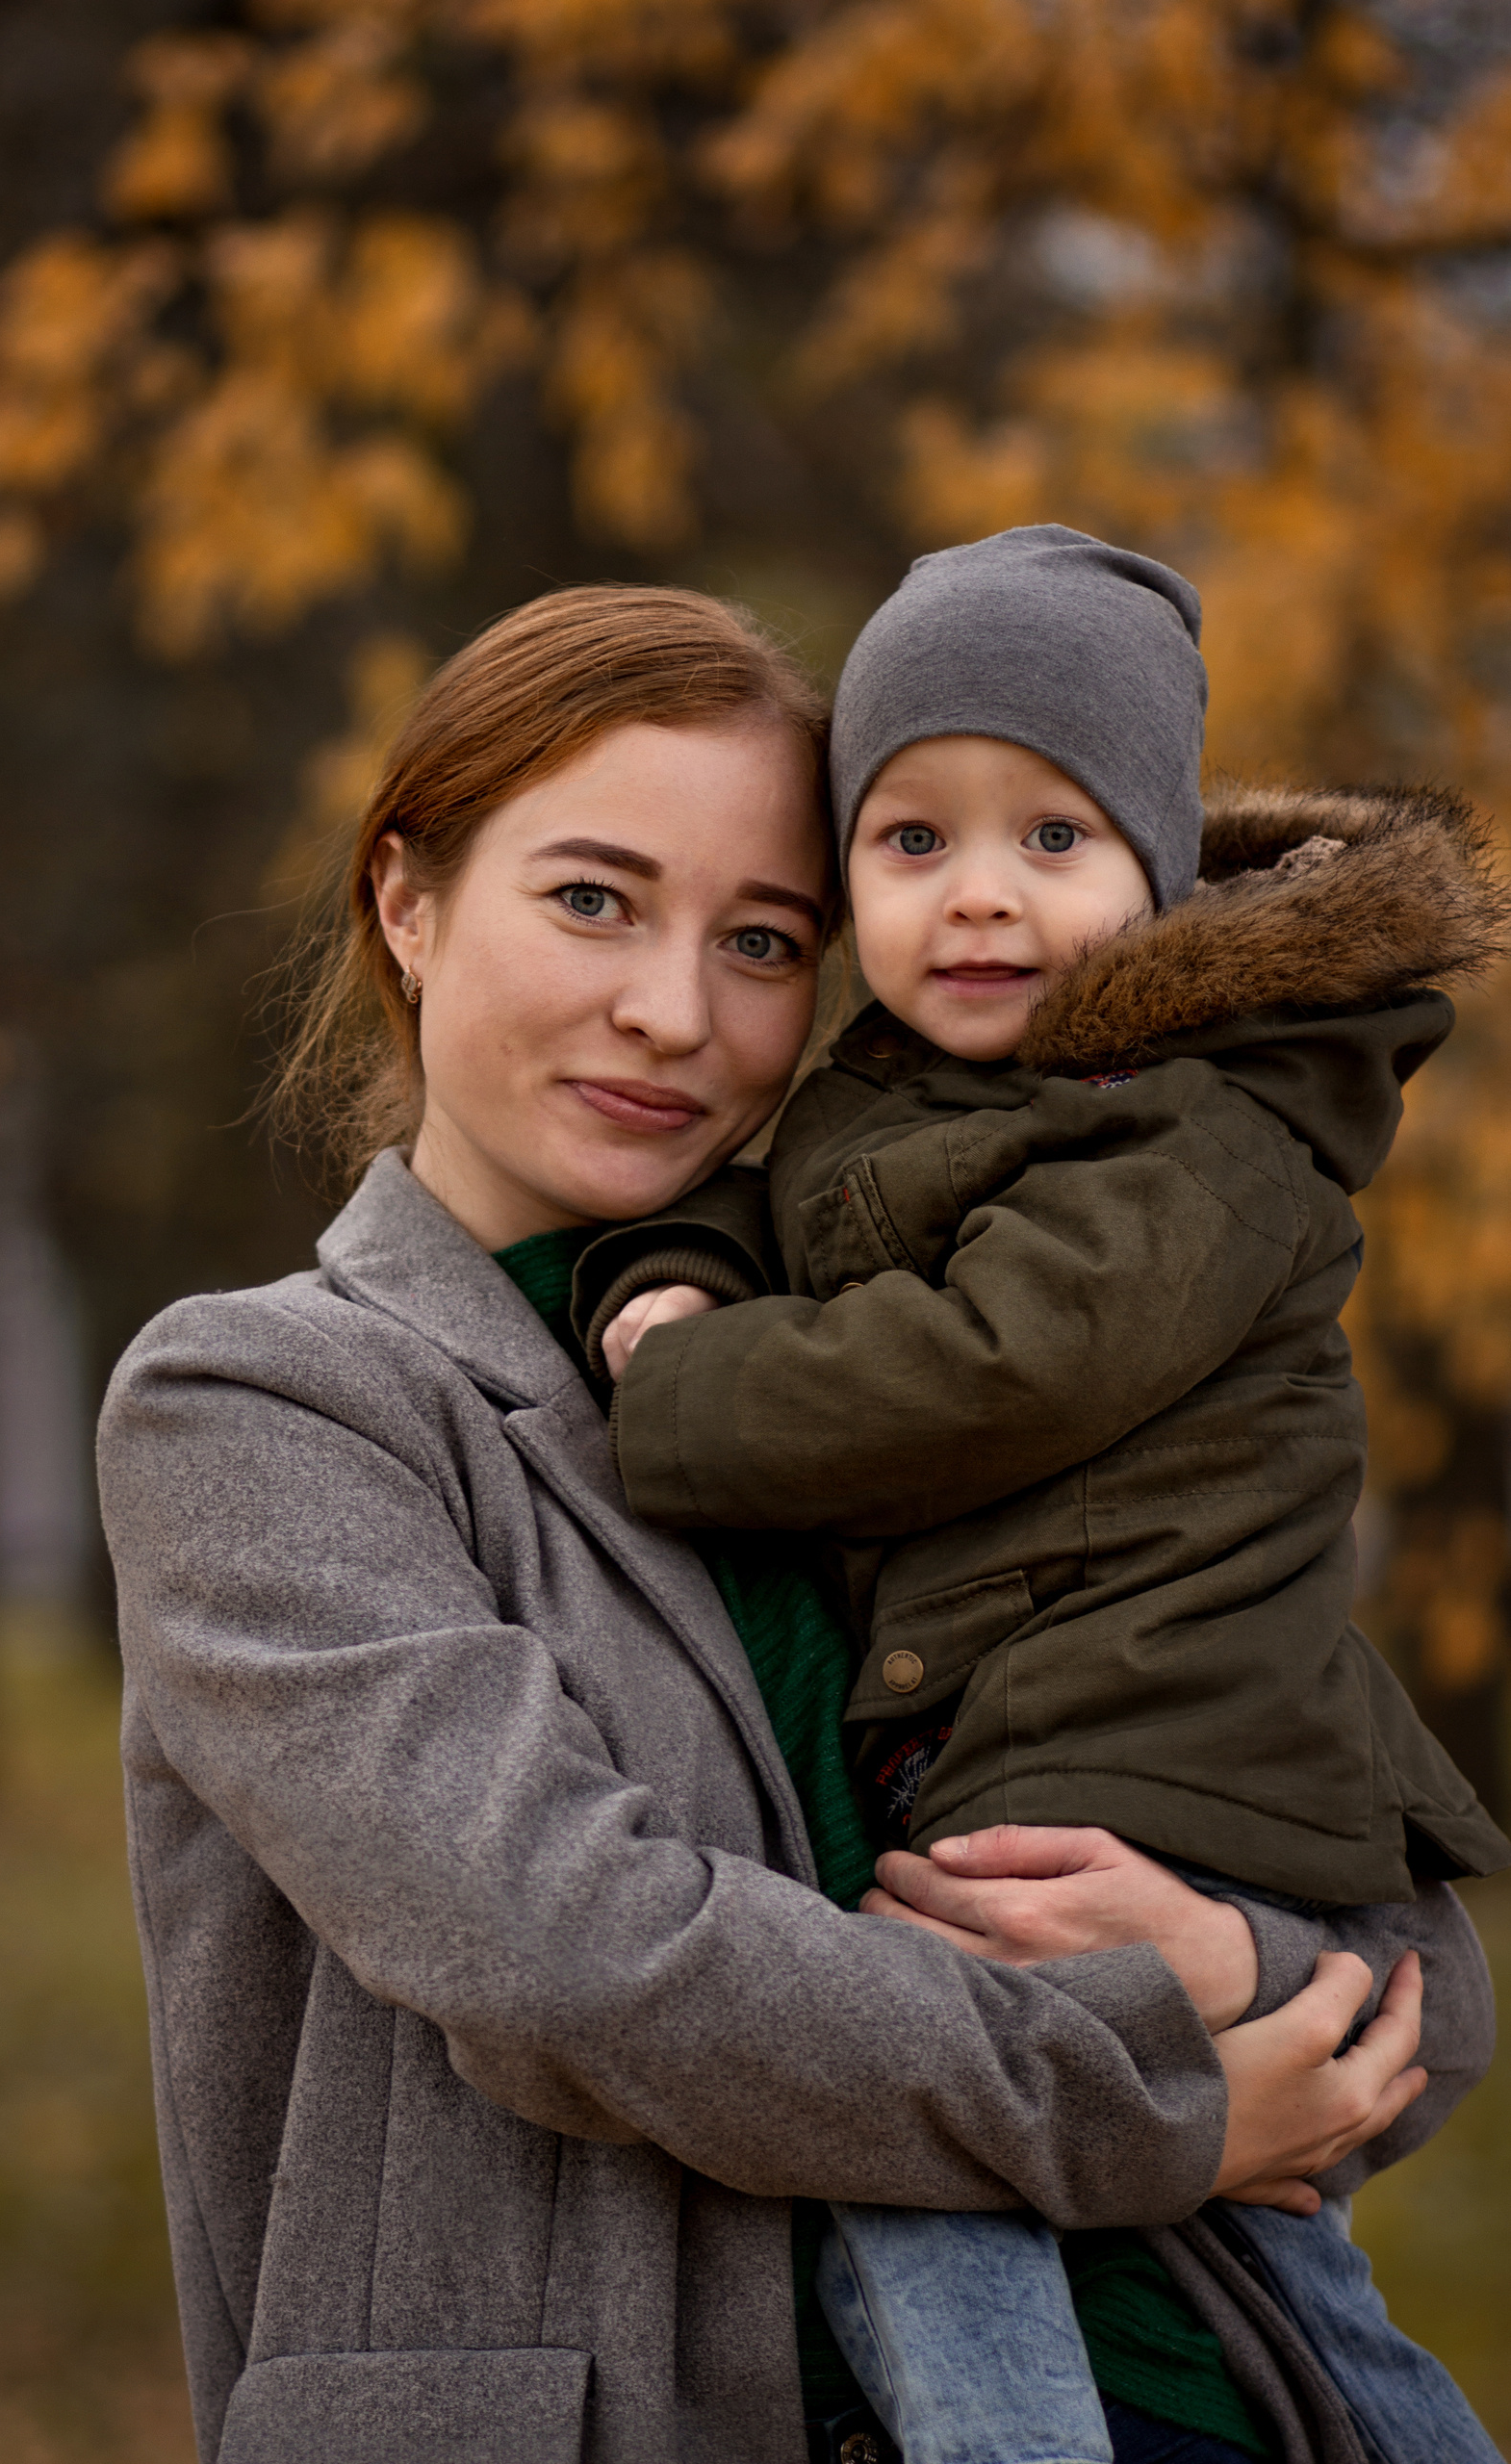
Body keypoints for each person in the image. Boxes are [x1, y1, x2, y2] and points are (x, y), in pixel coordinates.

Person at [99, 583, 1452, 2464]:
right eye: (591, 898)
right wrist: (1154, 2087)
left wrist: (1232, 1955)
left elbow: (1402, 1973)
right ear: (404, 899)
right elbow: (572, 1954)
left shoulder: (926, 1366)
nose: (671, 1009)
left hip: (1175, 2387)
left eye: (758, 938)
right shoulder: (265, 1402)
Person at [591, 533, 1507, 2464]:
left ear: (1161, 872)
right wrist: (650, 1270)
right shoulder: (891, 1097)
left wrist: (684, 1384)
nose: (978, 895)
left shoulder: (1194, 1123)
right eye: (910, 841)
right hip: (1064, 1770)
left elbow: (995, 1367)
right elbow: (757, 1210)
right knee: (1234, 2272)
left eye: (1052, 838)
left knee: (959, 2217)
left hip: (1183, 1773)